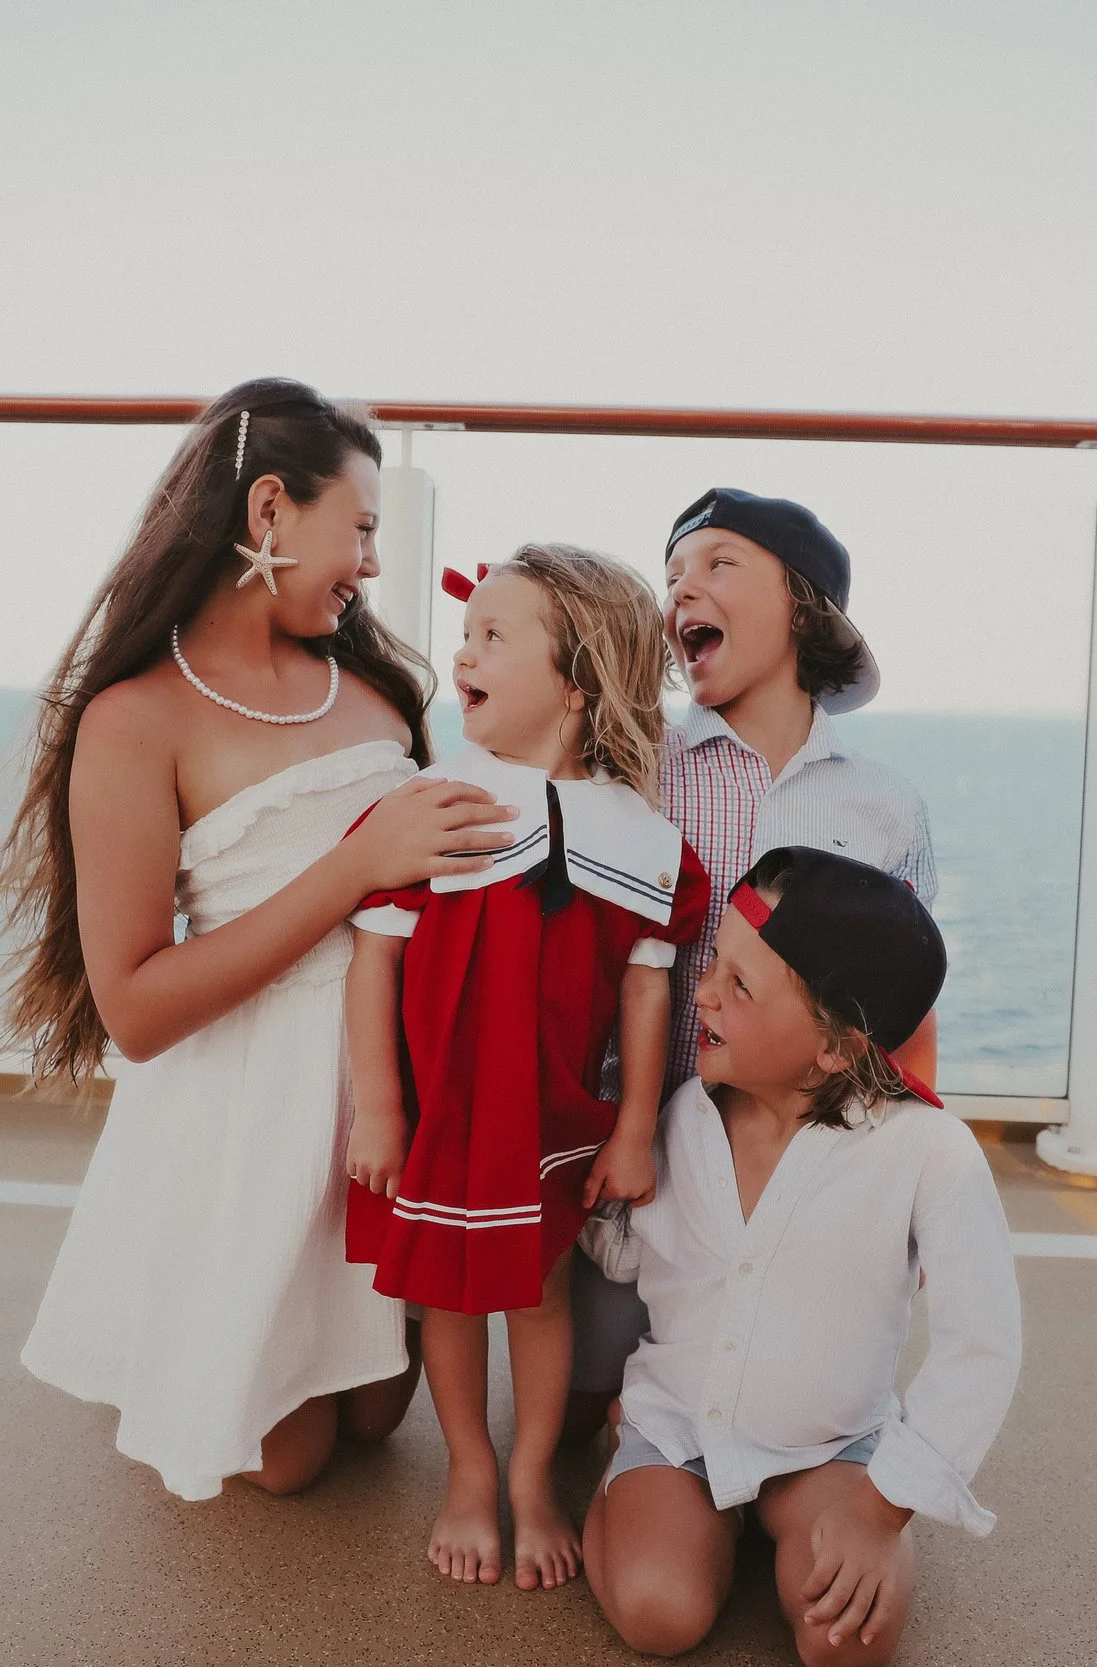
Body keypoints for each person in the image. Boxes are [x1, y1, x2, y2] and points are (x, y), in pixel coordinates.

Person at [0, 378, 515, 1502]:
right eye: (362, 527)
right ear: (270, 509)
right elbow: (135, 1011)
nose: (372, 563)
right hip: (244, 1107)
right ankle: (174, 1309)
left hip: (383, 1093)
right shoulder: (133, 720)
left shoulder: (379, 686)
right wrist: (351, 869)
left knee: (374, 1420)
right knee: (287, 1463)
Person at [343, 545, 711, 1591]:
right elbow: (376, 950)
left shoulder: (639, 836)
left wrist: (635, 1123)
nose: (464, 651)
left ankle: (534, 1475)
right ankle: (467, 1471)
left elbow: (647, 987)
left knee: (539, 1292)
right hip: (444, 1113)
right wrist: (378, 1106)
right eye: (467, 634)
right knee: (452, 1300)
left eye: (494, 636)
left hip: (553, 1117)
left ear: (578, 679)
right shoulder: (436, 799)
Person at [568, 487, 944, 1444]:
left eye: (718, 563)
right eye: (672, 578)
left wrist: (919, 1192)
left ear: (804, 605)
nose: (681, 589)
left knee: (791, 1404)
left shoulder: (885, 808)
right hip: (645, 1147)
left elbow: (905, 1007)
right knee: (585, 1387)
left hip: (797, 1160)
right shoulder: (642, 770)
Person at [582, 847, 1021, 1666]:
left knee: (842, 1645)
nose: (703, 992)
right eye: (715, 958)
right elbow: (632, 1256)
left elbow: (983, 1346)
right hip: (680, 1429)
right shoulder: (682, 1117)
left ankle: (788, 1524)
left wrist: (883, 1510)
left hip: (831, 1446)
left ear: (837, 1046)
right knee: (658, 1611)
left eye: (740, 985)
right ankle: (640, 1480)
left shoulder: (932, 1153)